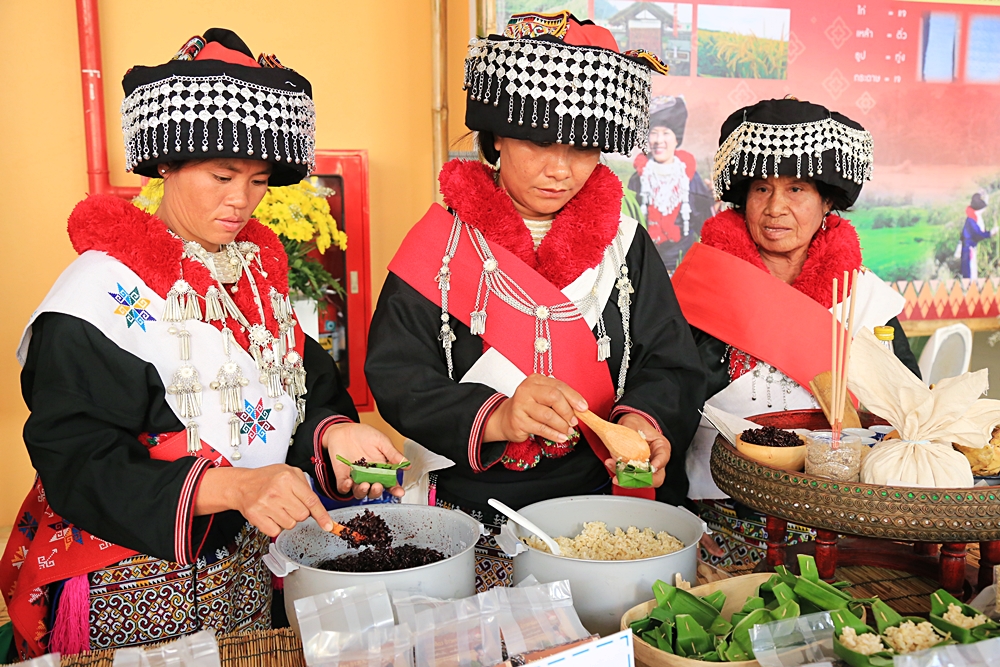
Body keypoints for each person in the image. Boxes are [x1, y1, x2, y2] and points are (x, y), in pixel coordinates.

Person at [0, 29, 403, 660]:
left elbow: (302, 390)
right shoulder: (95, 297)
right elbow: (75, 459)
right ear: (166, 165)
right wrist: (233, 489)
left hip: (241, 572)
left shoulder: (251, 278)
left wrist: (330, 432)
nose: (241, 201)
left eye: (259, 180)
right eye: (221, 175)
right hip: (131, 586)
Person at [365, 10, 706, 588]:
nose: (559, 169)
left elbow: (669, 359)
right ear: (496, 137)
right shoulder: (441, 245)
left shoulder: (625, 245)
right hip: (472, 504)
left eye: (583, 148)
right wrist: (497, 416)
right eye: (538, 142)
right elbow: (397, 373)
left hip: (598, 505)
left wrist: (644, 423)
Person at [670, 98, 921, 569]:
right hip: (720, 523)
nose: (775, 208)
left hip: (841, 526)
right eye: (761, 188)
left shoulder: (865, 302)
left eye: (797, 189)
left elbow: (906, 414)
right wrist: (677, 519)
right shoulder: (698, 292)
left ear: (827, 201)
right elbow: (663, 413)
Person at [627, 96, 714, 271]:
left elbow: (705, 225)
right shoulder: (638, 179)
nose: (659, 140)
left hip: (683, 264)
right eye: (654, 133)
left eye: (666, 133)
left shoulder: (691, 177)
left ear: (676, 139)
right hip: (645, 265)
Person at [960, 192, 996, 280]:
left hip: (970, 247)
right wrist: (990, 233)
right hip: (968, 248)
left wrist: (986, 196)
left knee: (972, 268)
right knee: (970, 271)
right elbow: (978, 234)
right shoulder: (971, 221)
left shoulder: (973, 216)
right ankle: (970, 289)